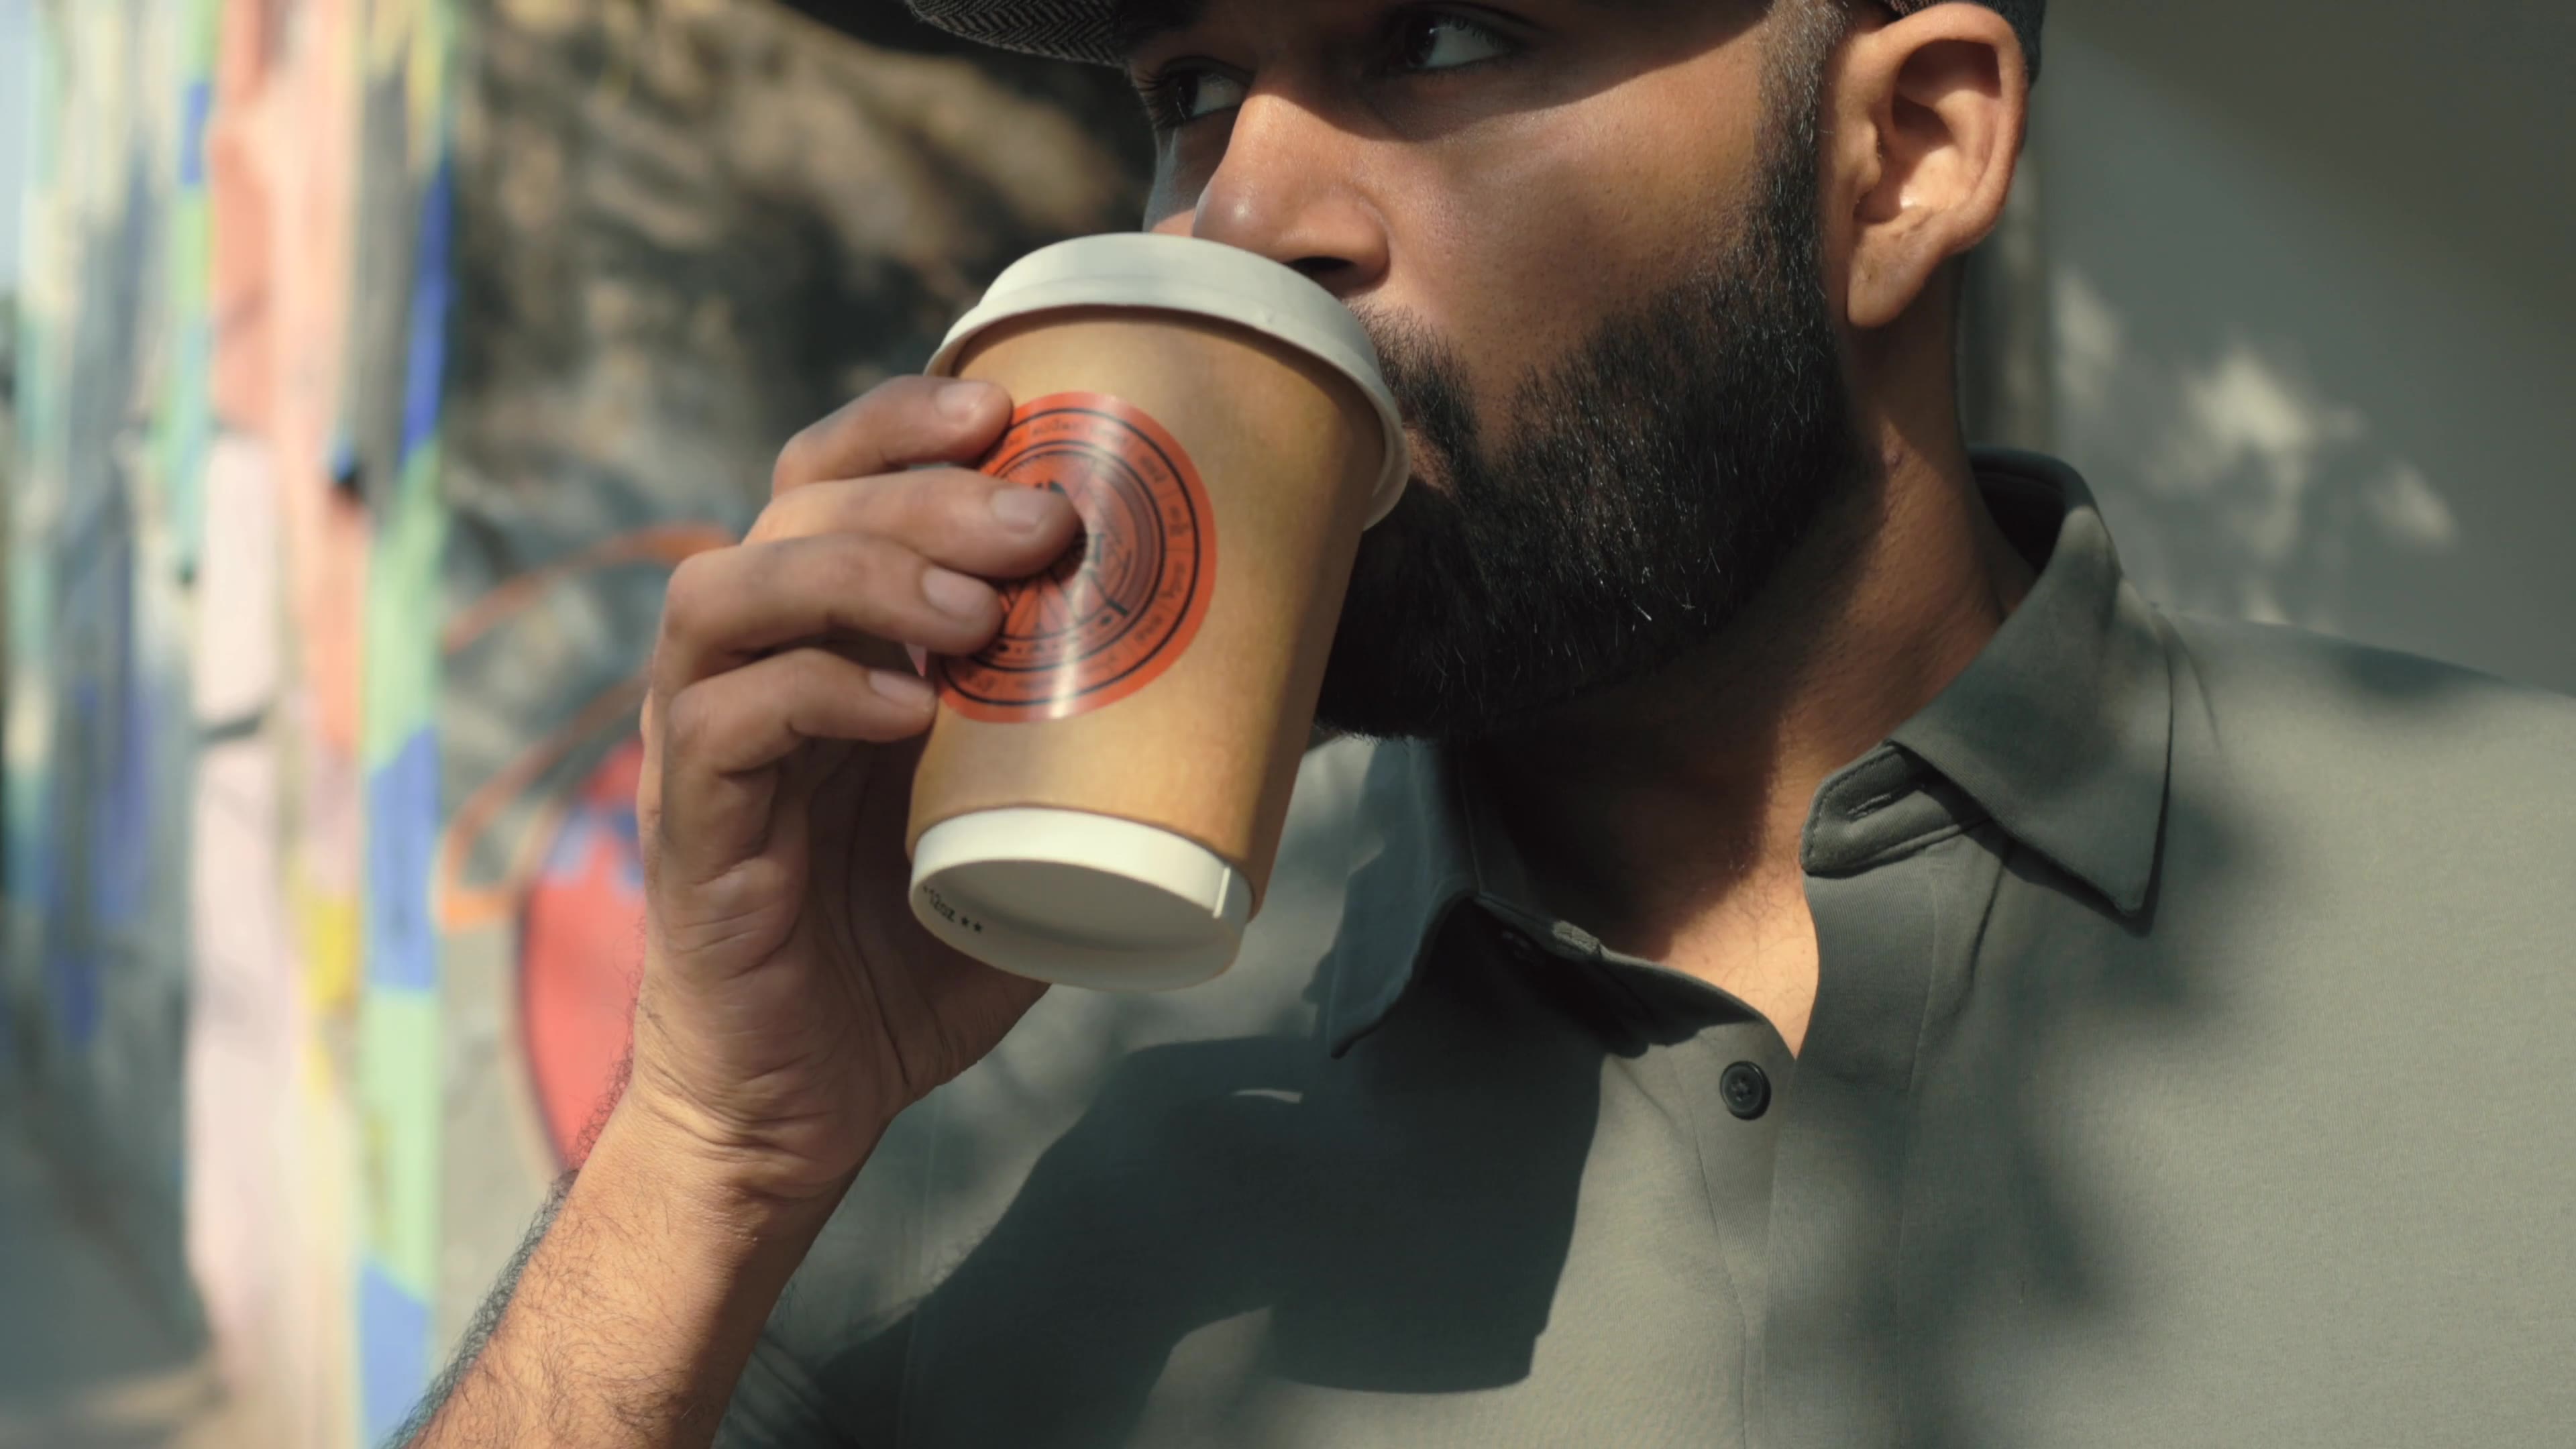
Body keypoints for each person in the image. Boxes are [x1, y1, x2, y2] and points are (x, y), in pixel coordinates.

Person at [400, 0, 2576, 1444]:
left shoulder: (2528, 915)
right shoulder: (975, 1103)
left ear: (1905, 156)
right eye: (1191, 86)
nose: (1246, 214)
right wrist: (713, 1150)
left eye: (1440, 35)